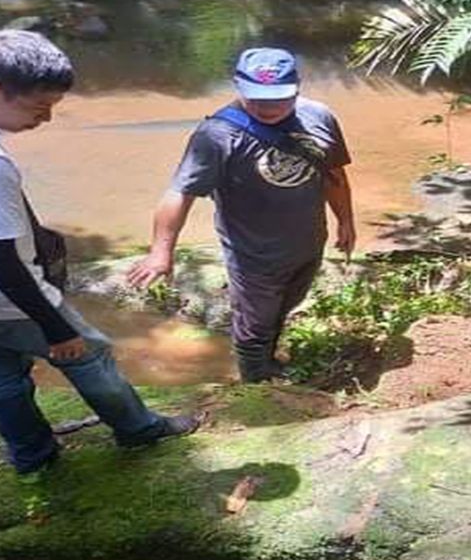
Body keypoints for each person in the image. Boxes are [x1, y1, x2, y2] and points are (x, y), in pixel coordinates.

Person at [0, 29, 197, 475]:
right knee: (88, 353)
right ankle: (139, 430)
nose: (47, 119)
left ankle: (33, 456)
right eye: (38, 108)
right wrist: (56, 330)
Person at [126, 47, 355, 383]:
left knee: (285, 306)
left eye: (279, 98)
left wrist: (346, 219)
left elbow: (334, 173)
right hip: (253, 253)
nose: (268, 107)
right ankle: (255, 383)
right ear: (237, 86)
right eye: (257, 98)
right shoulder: (217, 135)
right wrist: (161, 252)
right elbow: (181, 191)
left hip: (308, 241)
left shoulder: (320, 117)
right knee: (255, 324)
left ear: (296, 88)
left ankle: (270, 362)